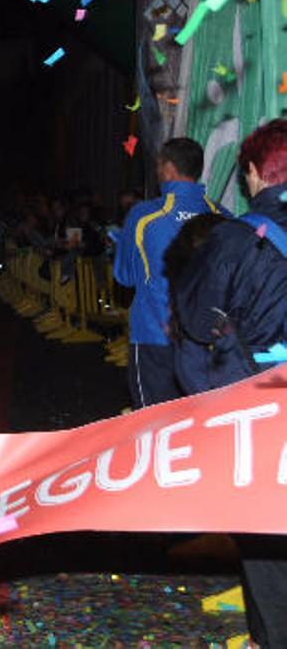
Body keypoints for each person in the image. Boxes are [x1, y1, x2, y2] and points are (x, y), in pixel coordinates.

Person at [170, 119, 287, 648]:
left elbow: (196, 325)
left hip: (262, 407)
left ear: (257, 174)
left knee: (266, 528)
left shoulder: (235, 240)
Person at [112, 137, 223, 407]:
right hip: (207, 339)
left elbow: (124, 276)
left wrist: (121, 242)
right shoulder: (223, 215)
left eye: (159, 165)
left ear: (169, 168)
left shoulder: (144, 215)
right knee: (198, 421)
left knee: (152, 422)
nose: (157, 172)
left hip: (154, 334)